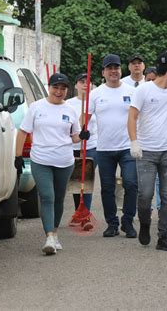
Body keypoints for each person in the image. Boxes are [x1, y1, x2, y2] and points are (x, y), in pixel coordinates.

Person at [14, 73, 90, 255]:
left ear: (67, 90)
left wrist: (82, 136)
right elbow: (23, 131)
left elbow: (73, 137)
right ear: (49, 87)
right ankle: (48, 236)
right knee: (47, 196)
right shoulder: (36, 107)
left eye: (63, 88)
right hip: (41, 160)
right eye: (55, 87)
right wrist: (17, 156)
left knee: (58, 198)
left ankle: (55, 233)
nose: (59, 91)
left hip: (64, 161)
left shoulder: (71, 110)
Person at [128, 51, 167, 251]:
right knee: (145, 195)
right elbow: (132, 117)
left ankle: (164, 236)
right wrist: (134, 142)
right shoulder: (144, 90)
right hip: (146, 151)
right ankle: (145, 224)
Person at [87, 54, 138, 238]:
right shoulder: (95, 93)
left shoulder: (132, 91)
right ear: (103, 72)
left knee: (131, 183)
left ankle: (128, 221)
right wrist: (82, 130)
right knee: (107, 187)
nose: (113, 71)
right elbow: (85, 117)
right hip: (104, 148)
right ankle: (112, 223)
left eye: (116, 67)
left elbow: (140, 115)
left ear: (120, 70)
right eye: (109, 68)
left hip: (127, 146)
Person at [66, 73, 98, 229]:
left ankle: (86, 216)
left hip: (91, 146)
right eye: (81, 81)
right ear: (76, 85)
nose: (85, 84)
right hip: (73, 147)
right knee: (77, 181)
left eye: (88, 81)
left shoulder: (95, 102)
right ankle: (78, 212)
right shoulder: (68, 104)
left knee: (87, 181)